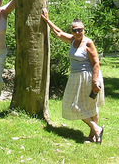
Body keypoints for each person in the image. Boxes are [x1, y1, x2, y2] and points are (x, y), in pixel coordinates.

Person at [41, 8, 105, 143]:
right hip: (76, 77)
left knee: (89, 106)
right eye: (74, 30)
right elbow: (58, 32)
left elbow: (96, 63)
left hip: (88, 77)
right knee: (73, 105)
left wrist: (95, 82)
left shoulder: (88, 42)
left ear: (84, 29)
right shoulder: (73, 40)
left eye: (80, 29)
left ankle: (93, 134)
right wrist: (47, 20)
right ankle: (96, 130)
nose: (77, 32)